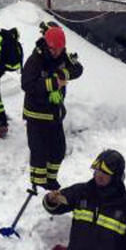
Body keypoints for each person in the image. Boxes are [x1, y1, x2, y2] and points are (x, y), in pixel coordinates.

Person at [21, 22, 83, 190]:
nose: (56, 53)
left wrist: (65, 73)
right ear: (47, 45)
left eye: (59, 49)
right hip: (36, 114)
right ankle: (37, 184)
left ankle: (50, 179)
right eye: (53, 49)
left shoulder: (63, 55)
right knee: (38, 152)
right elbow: (27, 84)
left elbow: (78, 68)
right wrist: (54, 83)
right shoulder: (35, 60)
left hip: (55, 113)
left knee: (58, 150)